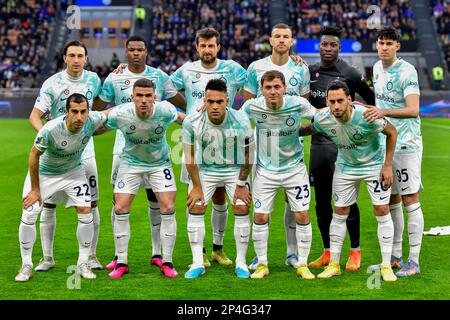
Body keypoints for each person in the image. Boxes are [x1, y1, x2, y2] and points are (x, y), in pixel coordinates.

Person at [94, 35, 186, 271]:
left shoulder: (159, 76)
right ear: (126, 51)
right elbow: (97, 110)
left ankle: (159, 253)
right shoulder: (115, 76)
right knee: (119, 202)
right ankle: (119, 256)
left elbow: (180, 104)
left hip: (156, 151)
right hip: (124, 148)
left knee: (157, 201)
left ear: (146, 51)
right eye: (132, 49)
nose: (136, 53)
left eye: (140, 49)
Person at [301, 80, 398, 282]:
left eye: (340, 101)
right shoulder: (324, 118)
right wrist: (283, 131)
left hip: (374, 165)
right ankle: (334, 264)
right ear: (326, 102)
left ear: (349, 100)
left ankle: (386, 265)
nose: (336, 106)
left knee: (381, 209)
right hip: (346, 167)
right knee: (340, 212)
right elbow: (311, 129)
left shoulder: (367, 116)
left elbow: (392, 132)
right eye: (332, 102)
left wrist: (387, 165)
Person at [170, 27, 247, 267]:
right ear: (197, 47)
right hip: (196, 137)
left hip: (225, 139)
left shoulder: (233, 68)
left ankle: (217, 249)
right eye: (203, 46)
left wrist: (292, 59)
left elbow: (257, 82)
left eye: (211, 45)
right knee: (195, 196)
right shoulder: (186, 70)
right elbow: (164, 88)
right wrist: (185, 113)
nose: (207, 50)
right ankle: (200, 252)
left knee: (221, 197)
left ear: (218, 47)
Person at [16, 93, 110, 282]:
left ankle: (83, 262)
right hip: (46, 173)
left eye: (83, 112)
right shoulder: (51, 129)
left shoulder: (92, 120)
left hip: (73, 173)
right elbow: (33, 155)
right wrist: (35, 190)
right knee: (30, 212)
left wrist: (139, 103)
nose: (79, 117)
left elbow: (110, 112)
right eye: (74, 112)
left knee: (86, 210)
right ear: (66, 112)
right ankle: (26, 264)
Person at [28, 40, 103, 272]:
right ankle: (47, 258)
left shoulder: (94, 80)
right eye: (72, 55)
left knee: (91, 204)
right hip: (57, 154)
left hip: (84, 152)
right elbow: (34, 116)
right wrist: (48, 138)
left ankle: (90, 257)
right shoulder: (53, 83)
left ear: (86, 58)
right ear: (64, 58)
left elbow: (98, 107)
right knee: (48, 205)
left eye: (80, 56)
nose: (76, 60)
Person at [307, 26, 376, 271]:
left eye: (333, 45)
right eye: (324, 44)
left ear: (339, 47)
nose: (328, 49)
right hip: (317, 145)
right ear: (320, 46)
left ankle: (355, 250)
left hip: (342, 146)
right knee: (321, 201)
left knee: (346, 202)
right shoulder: (310, 71)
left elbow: (371, 99)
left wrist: (365, 127)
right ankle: (327, 251)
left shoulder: (349, 72)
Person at [243, 23, 310, 271]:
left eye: (286, 37)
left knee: (294, 205)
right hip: (263, 147)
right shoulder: (255, 67)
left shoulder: (301, 69)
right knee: (262, 206)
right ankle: (259, 258)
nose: (281, 40)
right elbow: (249, 108)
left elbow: (303, 105)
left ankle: (293, 253)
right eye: (277, 36)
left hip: (292, 142)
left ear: (291, 41)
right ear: (270, 40)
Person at [363, 27, 424, 277]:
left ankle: (414, 261)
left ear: (397, 46)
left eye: (389, 43)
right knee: (392, 200)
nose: (384, 47)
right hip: (386, 144)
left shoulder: (407, 71)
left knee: (410, 199)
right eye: (381, 43)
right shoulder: (377, 68)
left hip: (407, 144)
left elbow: (413, 109)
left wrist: (382, 112)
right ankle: (396, 258)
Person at [182, 79, 254, 279]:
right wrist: (196, 186)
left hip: (234, 168)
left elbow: (249, 156)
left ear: (227, 101)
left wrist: (241, 185)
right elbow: (190, 157)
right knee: (196, 206)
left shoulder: (241, 120)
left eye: (219, 101)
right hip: (205, 170)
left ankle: (241, 263)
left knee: (241, 206)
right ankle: (197, 263)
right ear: (204, 101)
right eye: (210, 101)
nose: (214, 106)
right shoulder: (192, 122)